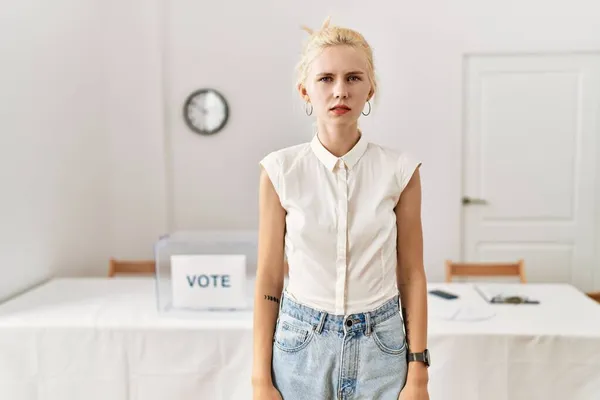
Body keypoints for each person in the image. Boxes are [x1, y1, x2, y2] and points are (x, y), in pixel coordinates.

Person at [252, 17, 430, 400]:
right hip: (300, 348)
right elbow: (268, 279)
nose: (340, 91)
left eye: (353, 78)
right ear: (305, 92)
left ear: (370, 89)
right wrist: (259, 380)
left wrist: (419, 374)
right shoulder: (279, 171)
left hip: (382, 348)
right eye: (326, 79)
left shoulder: (400, 171)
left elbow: (412, 275)